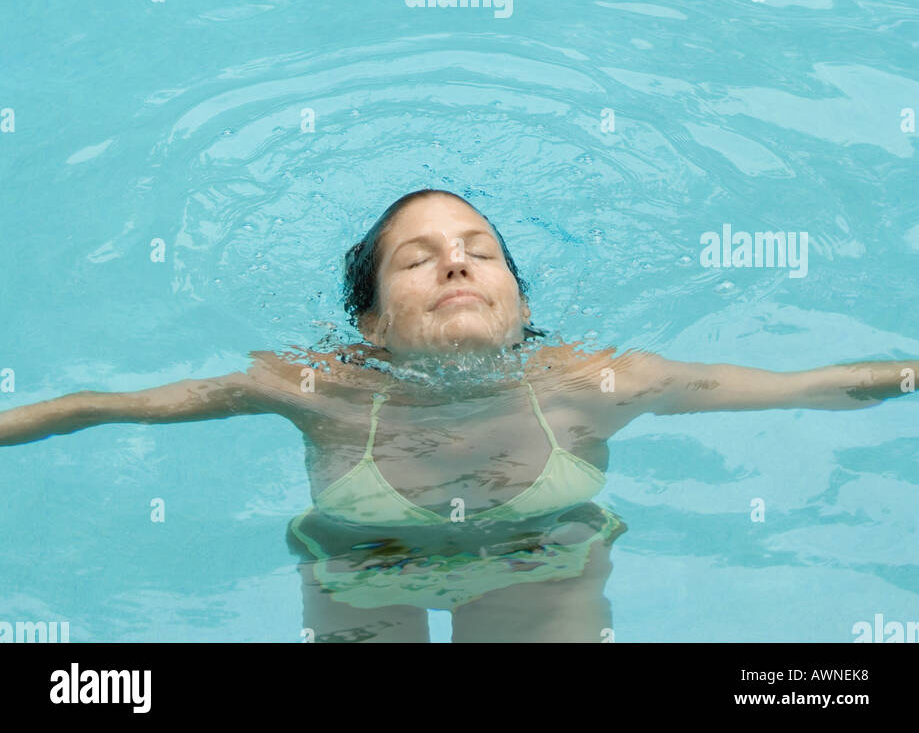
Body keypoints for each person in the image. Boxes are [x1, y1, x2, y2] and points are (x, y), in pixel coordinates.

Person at [1, 187, 915, 643]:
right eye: (419, 259)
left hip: (543, 562)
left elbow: (810, 383)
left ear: (517, 300)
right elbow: (103, 407)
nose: (455, 265)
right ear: (369, 321)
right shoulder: (312, 390)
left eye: (480, 252)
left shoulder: (598, 382)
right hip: (365, 567)